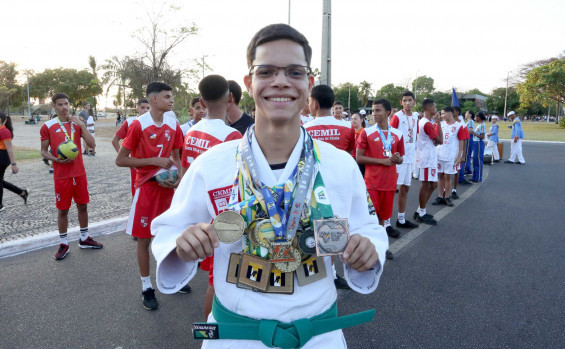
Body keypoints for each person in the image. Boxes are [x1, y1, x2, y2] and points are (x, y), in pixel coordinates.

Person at [151, 24, 387, 348]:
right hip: (236, 337)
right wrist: (183, 244)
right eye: (266, 71)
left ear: (309, 84)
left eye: (294, 72)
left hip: (318, 337)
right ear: (249, 83)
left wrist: (367, 250)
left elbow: (368, 228)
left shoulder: (340, 165)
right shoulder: (213, 164)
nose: (280, 81)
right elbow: (170, 230)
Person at [115, 82, 187, 310]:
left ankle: (171, 277)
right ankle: (147, 287)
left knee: (170, 235)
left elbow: (176, 155)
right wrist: (154, 162)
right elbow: (121, 159)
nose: (171, 100)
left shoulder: (173, 123)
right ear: (154, 99)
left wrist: (179, 178)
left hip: (167, 189)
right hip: (146, 188)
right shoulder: (138, 125)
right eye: (167, 96)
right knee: (144, 240)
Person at [180, 74, 242, 319]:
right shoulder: (232, 136)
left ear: (202, 103)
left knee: (216, 279)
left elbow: (186, 175)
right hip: (221, 219)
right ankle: (210, 336)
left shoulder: (192, 132)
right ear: (229, 99)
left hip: (200, 213)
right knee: (217, 284)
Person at [304, 84, 357, 287]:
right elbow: (350, 151)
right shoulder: (346, 127)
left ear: (314, 104)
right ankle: (336, 272)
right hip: (341, 183)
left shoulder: (305, 129)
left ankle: (327, 272)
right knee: (339, 225)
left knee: (317, 228)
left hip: (315, 188)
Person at [40, 93, 102, 260]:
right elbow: (43, 151)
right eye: (59, 104)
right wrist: (56, 160)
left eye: (66, 104)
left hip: (79, 173)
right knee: (63, 210)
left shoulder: (76, 124)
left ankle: (84, 239)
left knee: (83, 206)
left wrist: (81, 125)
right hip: (61, 175)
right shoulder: (48, 126)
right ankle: (64, 243)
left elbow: (92, 144)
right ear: (54, 106)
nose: (64, 107)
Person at [356, 99, 404, 241]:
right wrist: (382, 161)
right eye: (373, 110)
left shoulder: (397, 134)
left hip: (389, 183)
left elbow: (401, 158)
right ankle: (369, 247)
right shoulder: (367, 132)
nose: (374, 113)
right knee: (370, 218)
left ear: (387, 112)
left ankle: (380, 246)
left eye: (378, 110)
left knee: (383, 217)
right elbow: (359, 158)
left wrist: (396, 158)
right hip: (372, 183)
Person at [389, 91, 420, 230]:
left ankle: (401, 219)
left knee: (405, 188)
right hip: (398, 158)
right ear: (401, 102)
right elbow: (390, 136)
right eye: (405, 100)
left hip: (410, 157)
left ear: (414, 101)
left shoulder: (415, 116)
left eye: (410, 100)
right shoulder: (397, 116)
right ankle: (386, 222)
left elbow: (415, 135)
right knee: (391, 189)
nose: (408, 103)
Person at [414, 98, 443, 225]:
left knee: (432, 185)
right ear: (427, 109)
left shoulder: (426, 122)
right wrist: (439, 123)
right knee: (426, 184)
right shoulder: (426, 123)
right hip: (426, 157)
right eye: (434, 107)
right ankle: (421, 212)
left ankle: (420, 210)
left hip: (429, 156)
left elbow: (436, 141)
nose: (436, 110)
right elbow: (440, 140)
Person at [304, 85, 356, 155]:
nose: (308, 104)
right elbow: (349, 152)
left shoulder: (304, 130)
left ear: (315, 104)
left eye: (309, 102)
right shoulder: (348, 127)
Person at [431, 107, 467, 207]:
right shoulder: (440, 124)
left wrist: (460, 156)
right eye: (441, 114)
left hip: (451, 155)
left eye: (443, 114)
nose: (442, 116)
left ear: (450, 113)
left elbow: (461, 142)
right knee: (440, 175)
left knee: (448, 176)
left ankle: (447, 196)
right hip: (439, 154)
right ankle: (440, 196)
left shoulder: (459, 126)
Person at [0, 113, 29, 212]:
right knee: (0, 181)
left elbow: (10, 149)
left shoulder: (4, 131)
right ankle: (22, 192)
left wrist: (14, 164)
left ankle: (0, 205)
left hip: (2, 158)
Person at [470, 112, 486, 182]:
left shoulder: (482, 125)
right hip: (476, 143)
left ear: (479, 117)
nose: (475, 118)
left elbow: (482, 136)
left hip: (479, 143)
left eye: (476, 117)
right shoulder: (479, 125)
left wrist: (473, 133)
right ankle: (475, 176)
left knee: (478, 160)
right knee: (475, 160)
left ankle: (478, 177)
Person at [463, 110, 475, 175]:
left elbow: (470, 131)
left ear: (470, 115)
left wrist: (463, 133)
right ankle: (468, 169)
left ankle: (465, 169)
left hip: (469, 139)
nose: (465, 114)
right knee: (467, 155)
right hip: (468, 139)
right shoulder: (468, 122)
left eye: (466, 113)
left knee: (467, 154)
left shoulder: (470, 121)